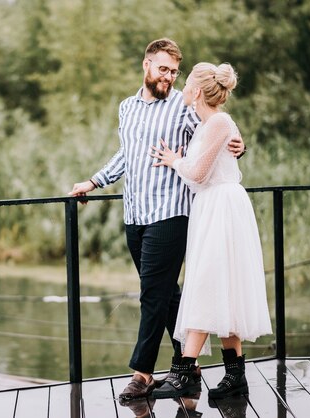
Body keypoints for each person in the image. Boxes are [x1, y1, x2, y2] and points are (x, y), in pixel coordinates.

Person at [68, 38, 245, 401]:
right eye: (163, 69)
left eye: (174, 71)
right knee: (167, 296)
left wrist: (241, 144)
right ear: (147, 65)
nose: (169, 77)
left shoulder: (184, 105)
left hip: (171, 214)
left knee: (152, 295)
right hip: (135, 214)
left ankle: (142, 373)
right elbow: (126, 153)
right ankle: (189, 367)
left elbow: (220, 125)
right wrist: (93, 181)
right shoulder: (127, 107)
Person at [149, 62, 273, 399]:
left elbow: (200, 173)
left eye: (187, 83)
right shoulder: (209, 123)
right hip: (211, 207)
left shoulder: (218, 121)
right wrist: (180, 161)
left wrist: (175, 161)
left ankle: (184, 372)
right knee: (221, 287)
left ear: (198, 91)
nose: (183, 89)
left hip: (222, 208)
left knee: (207, 284)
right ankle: (236, 375)